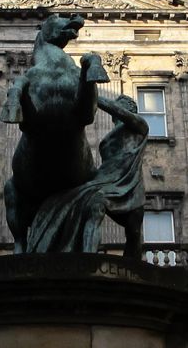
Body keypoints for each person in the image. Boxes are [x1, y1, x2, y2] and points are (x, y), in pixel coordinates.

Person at [26, 94, 148, 258]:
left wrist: (93, 96)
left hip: (128, 182)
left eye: (121, 105)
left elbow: (117, 111)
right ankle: (87, 258)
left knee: (134, 231)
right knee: (88, 204)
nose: (115, 111)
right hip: (104, 180)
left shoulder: (140, 126)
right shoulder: (108, 138)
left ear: (131, 109)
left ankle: (134, 269)